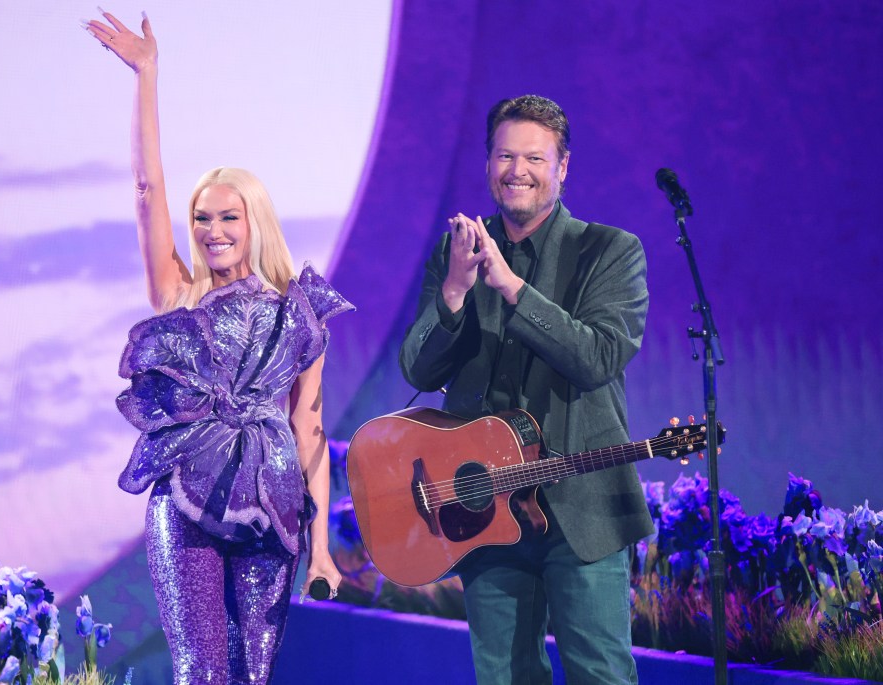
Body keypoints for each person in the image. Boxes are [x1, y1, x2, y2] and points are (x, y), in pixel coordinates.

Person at [83, 11, 351, 685]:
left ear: (254, 220)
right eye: (202, 217)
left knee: (253, 674)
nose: (212, 229)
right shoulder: (179, 294)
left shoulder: (300, 314)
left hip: (274, 508)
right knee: (203, 672)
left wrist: (321, 548)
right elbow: (148, 196)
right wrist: (147, 76)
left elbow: (310, 426)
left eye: (228, 216)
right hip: (186, 505)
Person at [399, 95, 654, 684]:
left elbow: (598, 358)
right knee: (505, 676)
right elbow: (417, 369)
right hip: (485, 509)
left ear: (562, 167)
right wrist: (455, 295)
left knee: (600, 674)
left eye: (534, 158)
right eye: (504, 155)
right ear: (488, 164)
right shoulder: (456, 250)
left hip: (582, 509)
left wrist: (513, 288)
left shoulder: (610, 251)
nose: (517, 170)